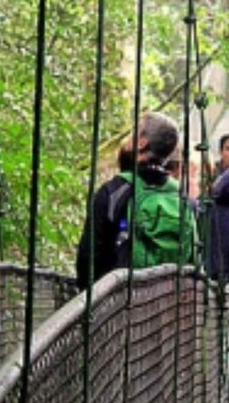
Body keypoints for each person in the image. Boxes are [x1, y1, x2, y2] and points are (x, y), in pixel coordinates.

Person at [75, 112, 185, 291]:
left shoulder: (115, 191)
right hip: (166, 305)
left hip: (119, 305)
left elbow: (90, 255)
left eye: (133, 134)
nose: (127, 141)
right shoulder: (179, 195)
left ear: (142, 142)